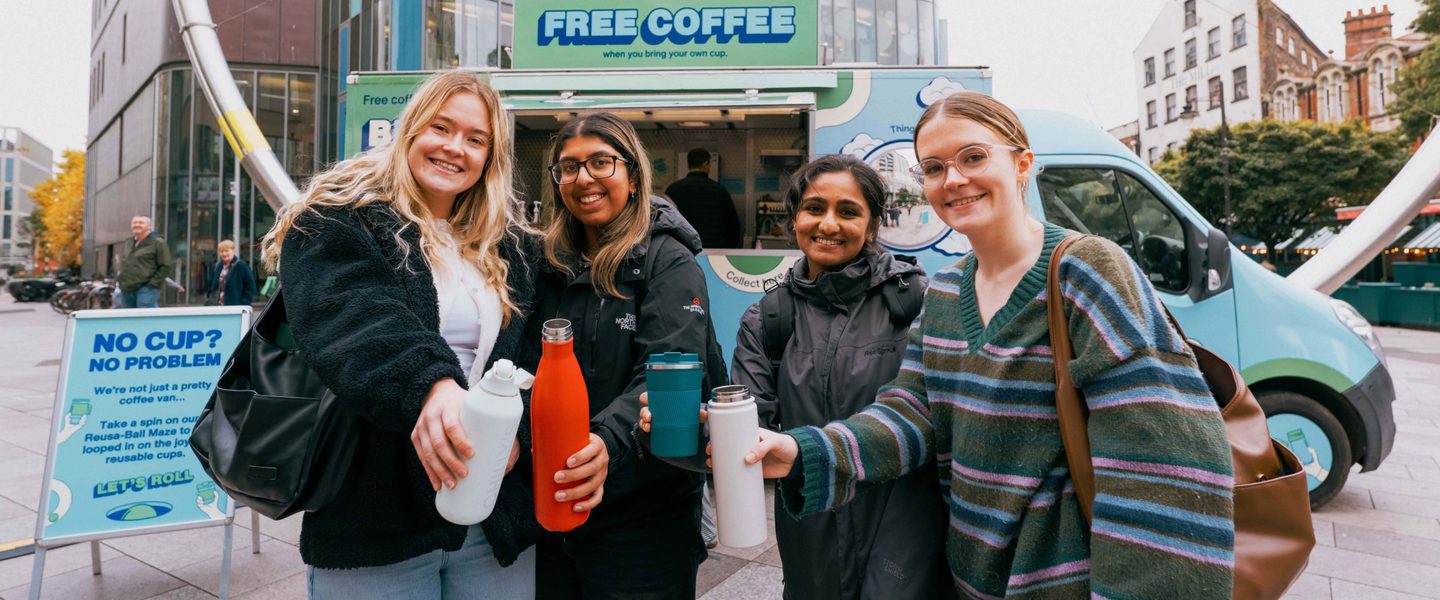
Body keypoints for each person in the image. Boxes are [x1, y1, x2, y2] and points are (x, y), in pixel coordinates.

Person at [742, 91, 1236, 598]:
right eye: (933, 168)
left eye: (973, 157)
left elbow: (1167, 473)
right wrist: (807, 452)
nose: (953, 180)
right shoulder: (946, 290)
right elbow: (914, 413)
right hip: (970, 583)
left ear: (1022, 164)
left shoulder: (1086, 272)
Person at [262, 70, 607, 599]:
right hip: (376, 516)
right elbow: (356, 316)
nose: (454, 148)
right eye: (440, 128)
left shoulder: (512, 247)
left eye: (476, 139)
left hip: (490, 516)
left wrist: (519, 438)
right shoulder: (338, 219)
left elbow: (541, 352)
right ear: (410, 130)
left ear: (490, 157)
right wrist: (431, 386)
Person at [641, 155, 951, 599]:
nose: (828, 224)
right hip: (811, 534)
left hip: (904, 533)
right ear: (794, 219)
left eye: (848, 211)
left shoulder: (916, 304)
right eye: (814, 208)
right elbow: (752, 437)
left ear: (873, 223)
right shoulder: (768, 319)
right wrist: (687, 432)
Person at [521, 112, 727, 599]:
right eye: (568, 168)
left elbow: (666, 369)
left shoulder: (667, 259)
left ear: (633, 176)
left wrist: (606, 445)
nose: (583, 178)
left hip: (644, 517)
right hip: (554, 504)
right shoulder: (546, 261)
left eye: (600, 162)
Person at [663, 148, 743, 248]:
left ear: (689, 164)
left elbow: (665, 222)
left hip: (685, 249)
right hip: (715, 250)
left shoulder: (674, 190)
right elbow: (733, 225)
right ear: (705, 164)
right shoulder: (720, 190)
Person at [117, 215, 173, 308]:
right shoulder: (128, 242)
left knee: (145, 320)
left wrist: (152, 284)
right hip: (126, 288)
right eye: (135, 222)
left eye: (141, 223)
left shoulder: (158, 243)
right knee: (128, 320)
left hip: (146, 289)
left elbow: (165, 266)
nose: (137, 225)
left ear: (149, 226)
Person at [204, 240, 257, 306]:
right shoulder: (218, 266)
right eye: (221, 251)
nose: (224, 254)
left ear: (233, 250)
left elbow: (250, 286)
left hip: (235, 307)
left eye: (226, 251)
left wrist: (243, 303)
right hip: (217, 306)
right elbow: (211, 285)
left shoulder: (241, 265)